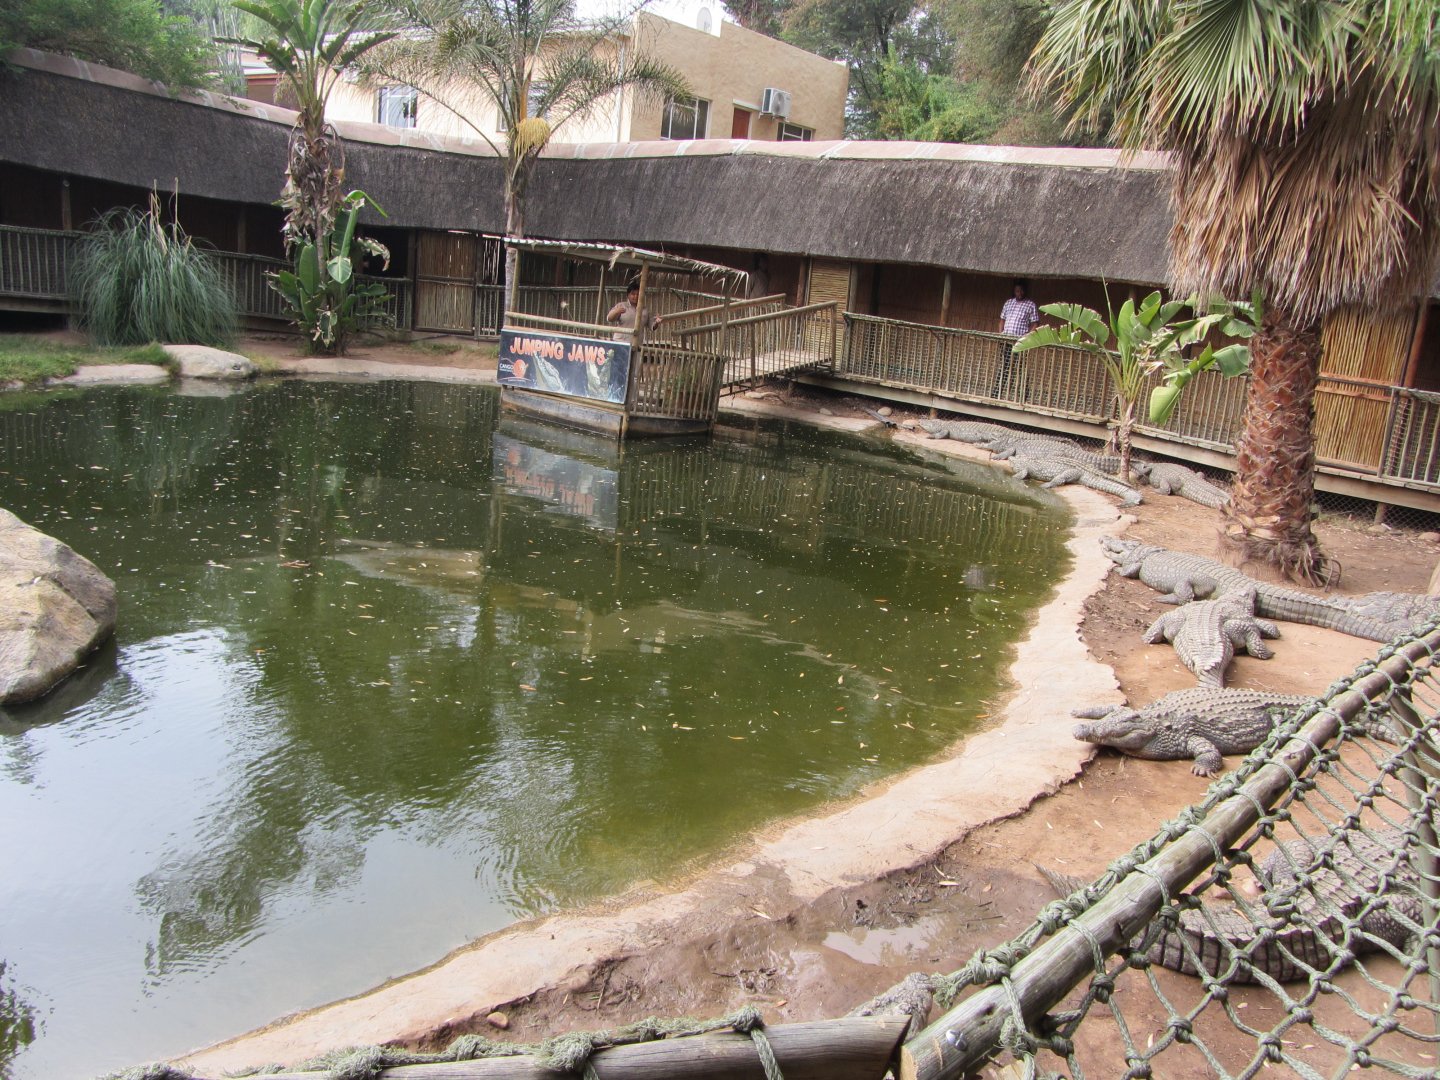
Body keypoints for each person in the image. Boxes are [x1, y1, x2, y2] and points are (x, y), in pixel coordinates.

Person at [995, 280, 1039, 398]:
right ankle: (997, 392)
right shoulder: (1008, 303)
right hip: (1007, 341)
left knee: (1021, 368)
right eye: (1017, 291)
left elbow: (1035, 323)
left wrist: (1026, 337)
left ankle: (1023, 394)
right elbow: (1002, 320)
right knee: (1004, 365)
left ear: (1025, 291)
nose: (1019, 293)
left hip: (1020, 342)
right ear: (1014, 291)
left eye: (1021, 291)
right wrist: (1001, 334)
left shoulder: (1030, 305)